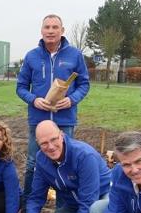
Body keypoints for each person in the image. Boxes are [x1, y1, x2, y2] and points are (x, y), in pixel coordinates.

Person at [16, 14, 91, 197]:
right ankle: (28, 204)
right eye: (47, 27)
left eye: (55, 27)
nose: (50, 31)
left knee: (68, 162)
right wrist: (34, 100)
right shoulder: (32, 56)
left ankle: (68, 203)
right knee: (33, 163)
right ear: (41, 31)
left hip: (65, 120)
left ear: (62, 31)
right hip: (38, 120)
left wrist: (72, 99)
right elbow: (21, 87)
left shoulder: (75, 55)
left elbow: (84, 84)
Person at [25, 120, 110, 213]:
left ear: (62, 135)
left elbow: (88, 202)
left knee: (98, 211)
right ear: (37, 143)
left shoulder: (83, 156)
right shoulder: (41, 159)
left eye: (54, 139)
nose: (51, 147)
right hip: (72, 204)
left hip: (101, 197)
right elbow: (36, 196)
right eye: (44, 143)